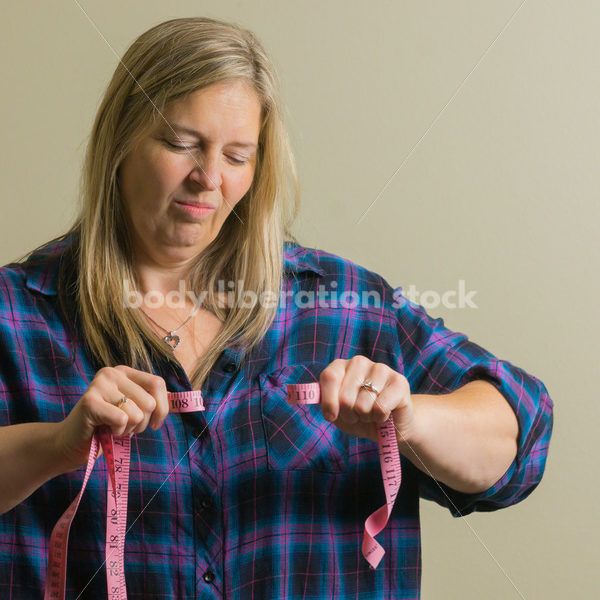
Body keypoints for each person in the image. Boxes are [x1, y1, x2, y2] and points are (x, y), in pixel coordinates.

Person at [0, 16, 553, 600]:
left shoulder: (343, 306)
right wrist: (58, 445)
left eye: (237, 156)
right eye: (181, 144)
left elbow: (524, 433)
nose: (208, 178)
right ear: (120, 140)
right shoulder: (15, 314)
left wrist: (412, 421)